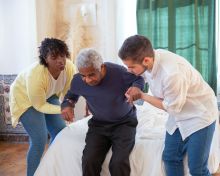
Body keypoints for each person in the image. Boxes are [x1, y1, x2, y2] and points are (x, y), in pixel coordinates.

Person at [118, 35, 218, 176]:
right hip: (178, 114)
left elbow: (171, 108)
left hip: (200, 115)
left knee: (197, 169)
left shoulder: (172, 74)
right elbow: (141, 76)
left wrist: (142, 95)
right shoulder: (150, 60)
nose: (129, 70)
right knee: (170, 158)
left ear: (146, 60)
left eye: (131, 67)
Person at [61, 48, 144, 176]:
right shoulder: (78, 80)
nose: (87, 80)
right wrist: (67, 106)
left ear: (102, 67)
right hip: (99, 125)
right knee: (89, 160)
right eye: (83, 76)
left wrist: (136, 88)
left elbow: (138, 79)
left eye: (92, 75)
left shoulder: (119, 72)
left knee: (118, 162)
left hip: (124, 123)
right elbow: (70, 97)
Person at [9, 38, 75, 176]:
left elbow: (68, 93)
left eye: (62, 55)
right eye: (54, 57)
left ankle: (48, 168)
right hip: (24, 98)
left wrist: (68, 106)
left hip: (48, 93)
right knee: (40, 139)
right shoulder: (36, 74)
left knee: (60, 132)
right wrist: (62, 109)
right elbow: (39, 105)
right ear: (45, 58)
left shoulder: (69, 67)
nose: (60, 60)